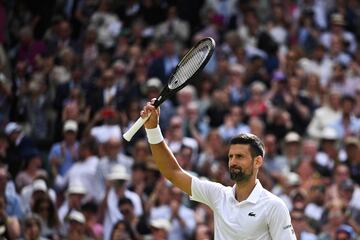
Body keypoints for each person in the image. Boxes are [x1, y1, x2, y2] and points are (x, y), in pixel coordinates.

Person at [140, 100, 296, 239]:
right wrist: (153, 129)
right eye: (230, 157)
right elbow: (173, 173)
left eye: (240, 157)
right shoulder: (218, 195)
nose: (233, 162)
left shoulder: (274, 206)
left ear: (258, 161)